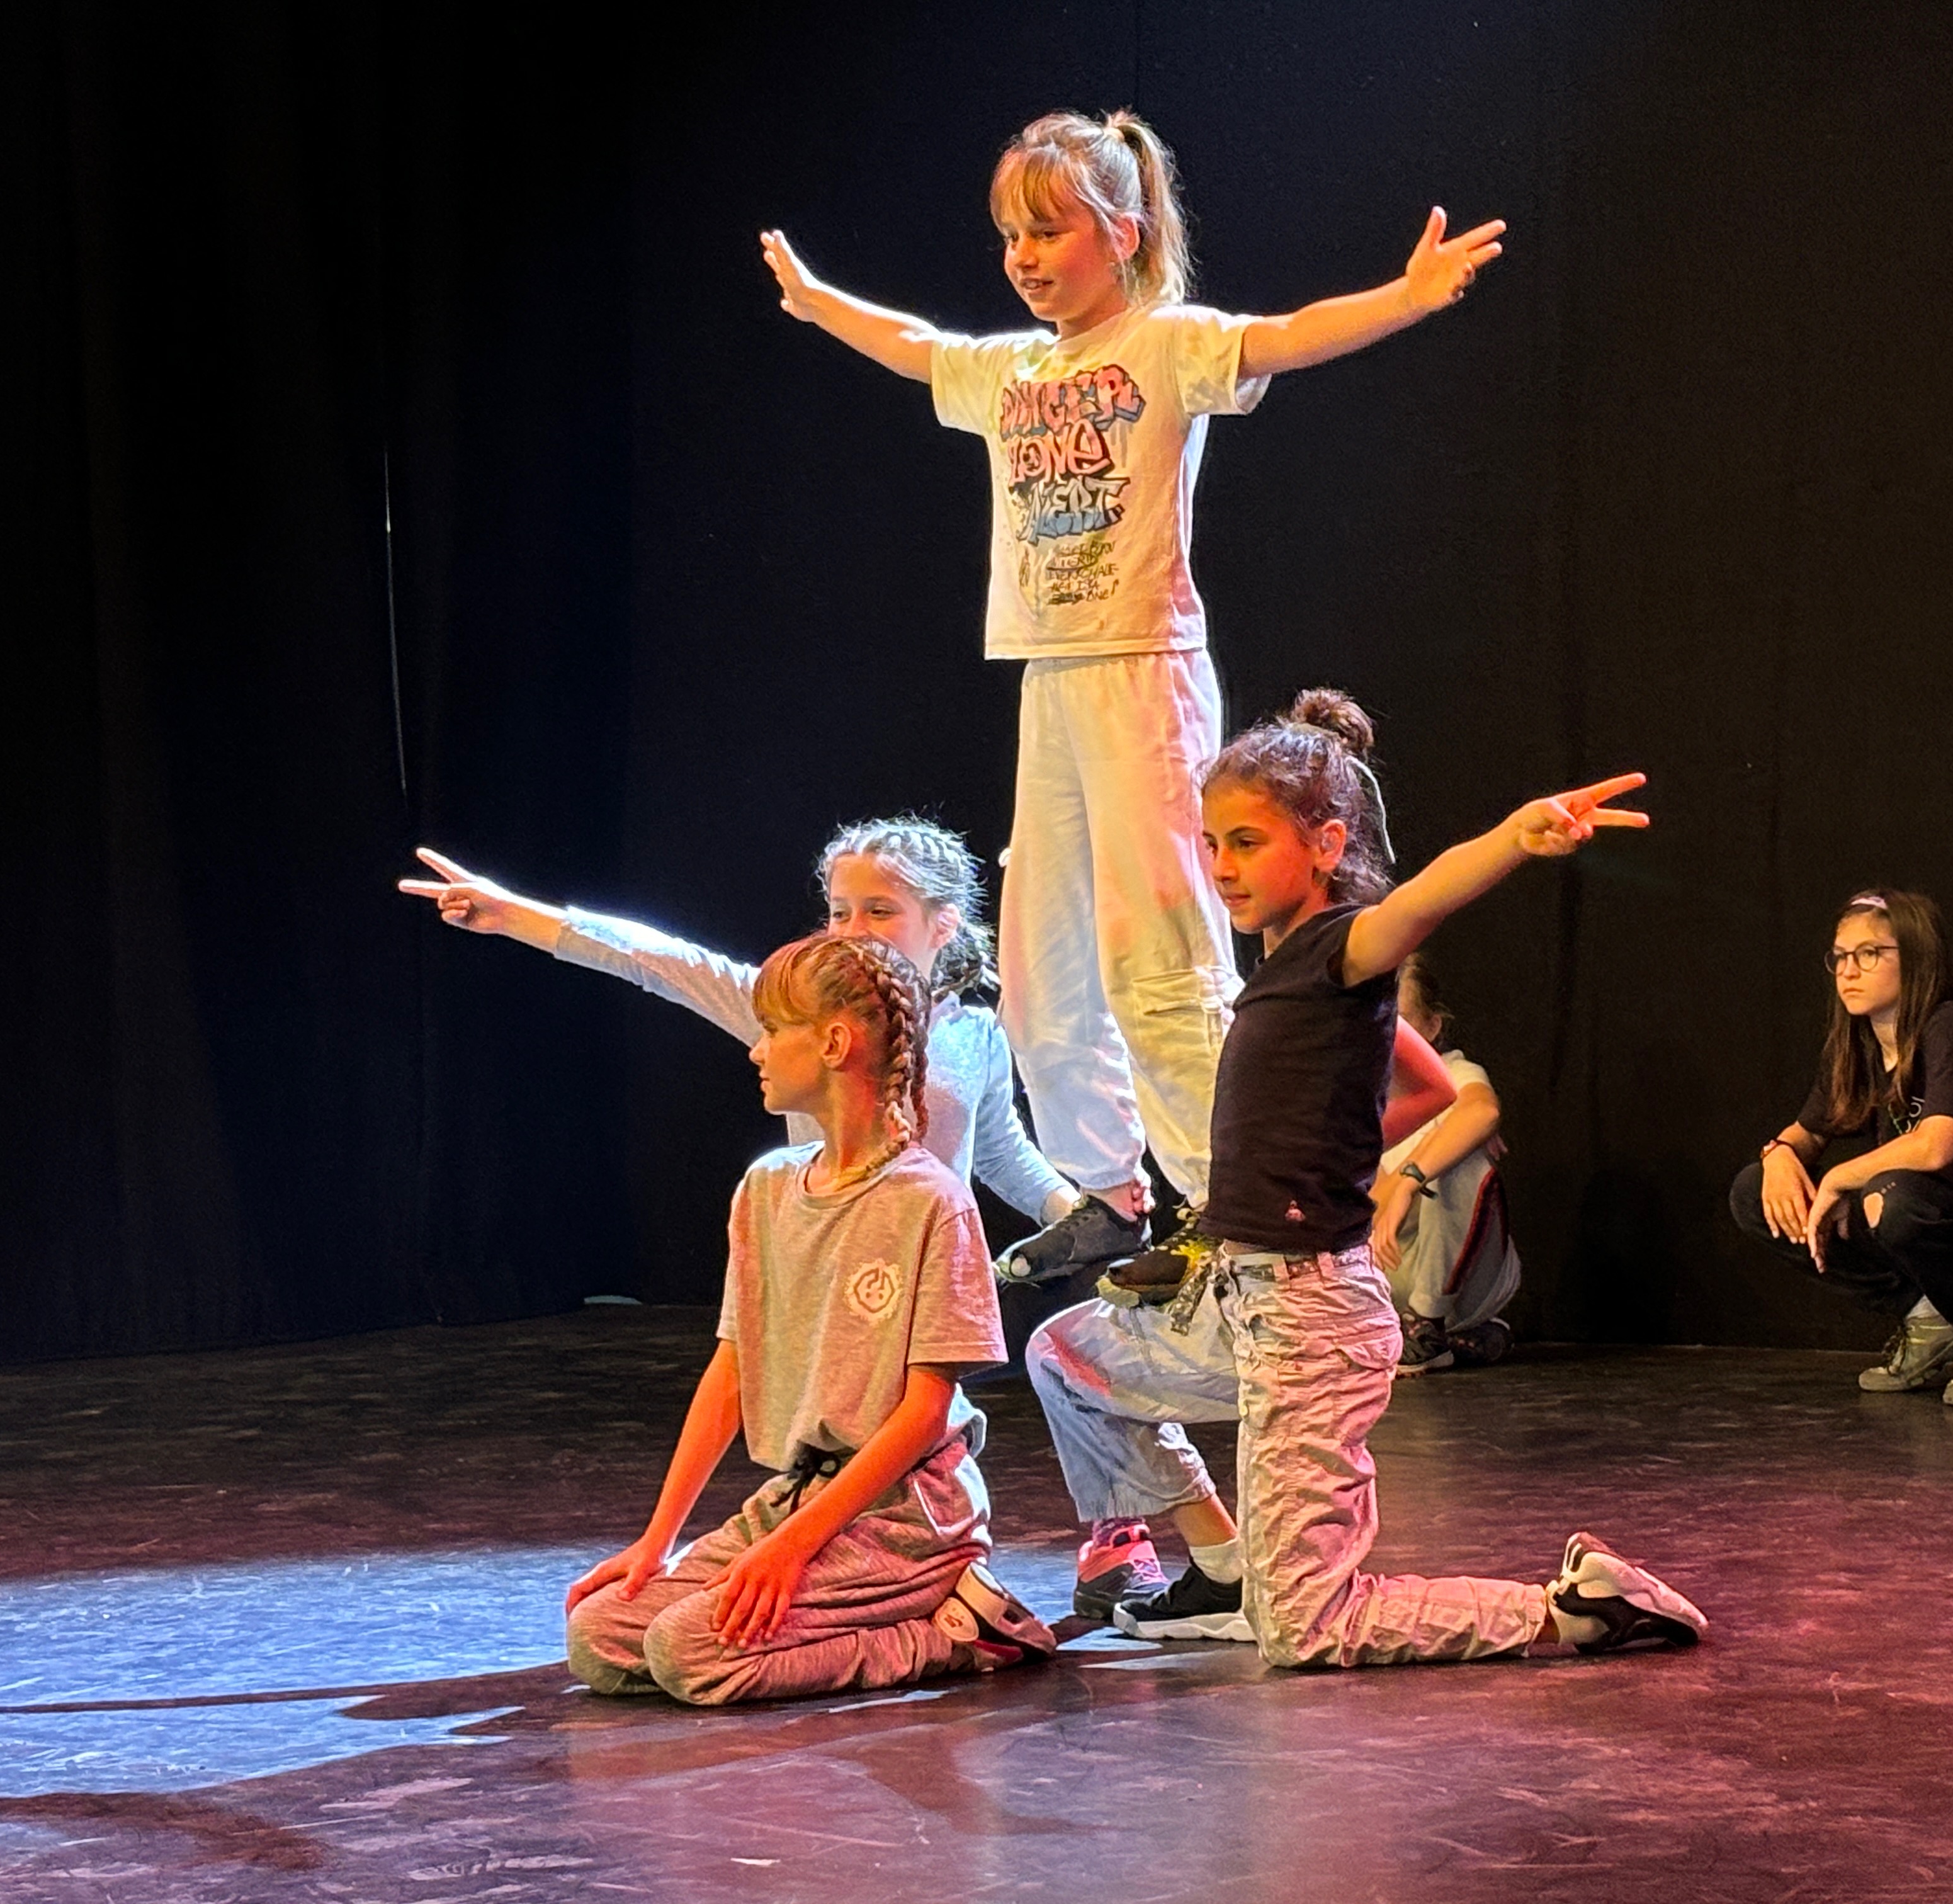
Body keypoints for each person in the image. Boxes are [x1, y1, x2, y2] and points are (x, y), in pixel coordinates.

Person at [757, 110, 1507, 1247]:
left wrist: (1406, 297)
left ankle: (1225, 1194)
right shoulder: (1013, 368)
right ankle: (1109, 1190)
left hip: (1143, 676)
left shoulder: (1163, 343)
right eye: (1010, 237)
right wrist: (818, 304)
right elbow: (917, 343)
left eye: (1048, 231)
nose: (1023, 258)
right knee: (1040, 970)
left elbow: (1283, 336)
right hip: (1050, 678)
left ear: (1123, 231)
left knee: (1157, 958)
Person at [1024, 689, 1706, 1663]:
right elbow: (1428, 1090)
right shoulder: (1286, 976)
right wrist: (1319, 1157)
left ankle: (1574, 1610)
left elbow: (1418, 904)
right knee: (1066, 1358)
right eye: (1212, 844)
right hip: (1240, 1300)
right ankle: (1222, 1564)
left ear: (1327, 845)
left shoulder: (1340, 948)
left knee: (1305, 1629)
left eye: (1247, 843)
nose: (1222, 867)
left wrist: (1516, 837)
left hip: (1308, 1323)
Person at [559, 933, 1053, 1704]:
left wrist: (790, 1551)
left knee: (689, 1653)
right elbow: (732, 1371)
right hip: (801, 1497)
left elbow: (925, 1413)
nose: (756, 1051)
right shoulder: (766, 1189)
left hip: (904, 1518)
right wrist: (657, 1542)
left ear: (832, 1043)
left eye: (772, 1030)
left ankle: (952, 1633)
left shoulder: (929, 1203)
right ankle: (832, 1600)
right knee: (602, 1636)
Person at [397, 817, 1143, 1280]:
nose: (853, 930)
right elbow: (659, 960)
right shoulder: (792, 1008)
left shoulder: (975, 1034)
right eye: (840, 911)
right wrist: (514, 914)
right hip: (823, 1259)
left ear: (940, 925)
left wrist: (1090, 1217)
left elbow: (1001, 1153)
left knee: (925, 1444)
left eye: (880, 911)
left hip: (929, 1269)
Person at [1729, 889, 1953, 1407]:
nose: (1849, 971)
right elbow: (1807, 1133)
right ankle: (1927, 1318)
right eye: (1840, 957)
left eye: (1869, 954)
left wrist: (1840, 1177)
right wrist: (1778, 1155)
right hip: (1917, 1218)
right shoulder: (1858, 1046)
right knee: (1754, 1190)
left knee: (1893, 1194)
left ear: (1915, 958)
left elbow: (1935, 1147)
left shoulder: (1948, 1027)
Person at [1368, 953, 1522, 1374]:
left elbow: (1482, 1113)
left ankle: (1427, 1324)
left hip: (1468, 1282)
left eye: (1399, 1021)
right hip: (1389, 1273)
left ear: (1432, 1027)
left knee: (1464, 1152)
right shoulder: (1351, 1094)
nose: (1385, 1034)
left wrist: (1408, 1181)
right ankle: (1464, 1336)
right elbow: (1364, 1210)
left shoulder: (1454, 1072)